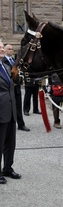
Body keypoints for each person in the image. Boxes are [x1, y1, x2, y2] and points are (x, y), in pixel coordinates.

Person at [0, 40, 21, 184]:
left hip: (11, 111)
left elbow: (13, 85)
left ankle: (7, 167)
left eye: (2, 47)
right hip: (1, 111)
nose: (2, 49)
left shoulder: (6, 67)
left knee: (10, 143)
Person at [3, 44, 30, 131]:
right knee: (7, 107)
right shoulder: (3, 61)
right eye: (9, 49)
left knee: (18, 106)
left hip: (16, 88)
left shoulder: (14, 60)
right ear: (5, 50)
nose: (11, 50)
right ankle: (8, 125)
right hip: (8, 88)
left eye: (12, 49)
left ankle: (21, 124)